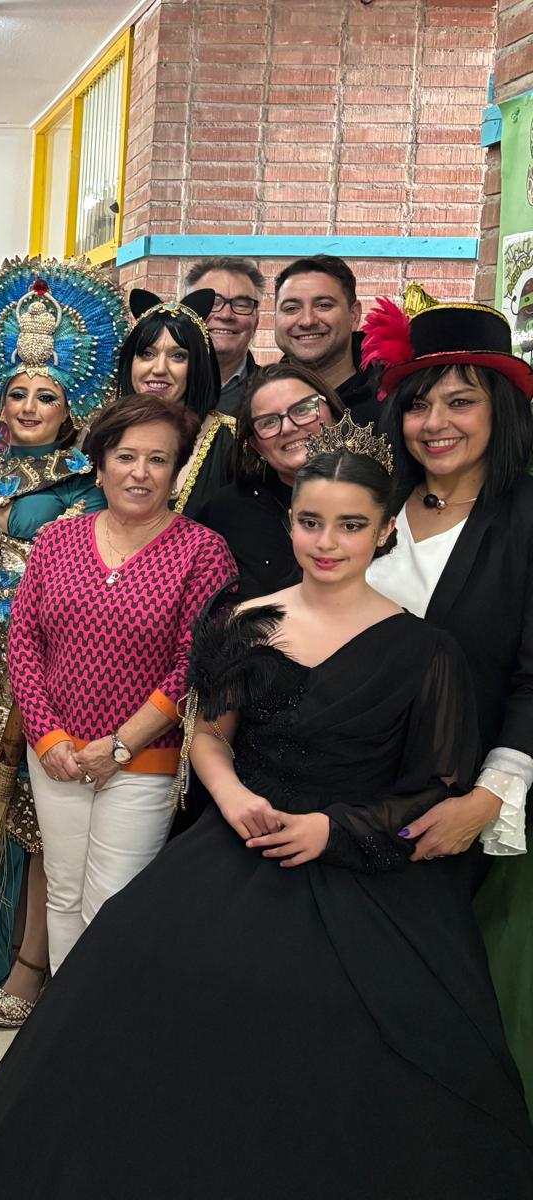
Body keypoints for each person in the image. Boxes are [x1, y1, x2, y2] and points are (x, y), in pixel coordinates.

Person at [0, 418, 533, 1200]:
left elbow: (436, 791)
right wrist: (237, 795)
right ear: (291, 522)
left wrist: (330, 829)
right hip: (238, 837)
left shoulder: (427, 651)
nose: (327, 542)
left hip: (357, 867)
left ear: (383, 532)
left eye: (351, 525)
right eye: (311, 521)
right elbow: (209, 736)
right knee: (133, 963)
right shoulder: (249, 623)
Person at [0, 256, 125, 1027]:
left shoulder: (88, 483)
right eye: (16, 392)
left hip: (48, 662)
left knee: (38, 817)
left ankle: (32, 963)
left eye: (46, 395)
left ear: (71, 404)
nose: (29, 405)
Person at [362, 294, 533, 1107]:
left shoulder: (527, 520)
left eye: (461, 400)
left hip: (468, 810)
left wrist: (487, 798)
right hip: (356, 798)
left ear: (498, 407)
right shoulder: (375, 511)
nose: (436, 421)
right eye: (420, 402)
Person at [7, 395, 234, 969]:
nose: (140, 472)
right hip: (56, 753)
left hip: (143, 758)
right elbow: (24, 643)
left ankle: (97, 1047)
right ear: (101, 464)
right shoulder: (58, 541)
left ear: (177, 469)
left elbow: (193, 666)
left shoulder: (204, 552)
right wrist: (49, 739)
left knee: (111, 904)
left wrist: (121, 744)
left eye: (157, 460)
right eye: (126, 456)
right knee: (61, 893)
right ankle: (58, 1039)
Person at [191, 361, 345, 601]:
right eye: (268, 422)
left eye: (303, 409)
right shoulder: (227, 512)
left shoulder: (377, 493)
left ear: (333, 413)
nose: (288, 427)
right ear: (256, 445)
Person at [115, 287, 229, 514]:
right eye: (147, 354)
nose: (158, 369)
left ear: (198, 365)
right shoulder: (102, 433)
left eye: (178, 356)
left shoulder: (230, 442)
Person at [273, 253, 382, 424]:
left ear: (353, 315)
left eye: (323, 305)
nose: (307, 321)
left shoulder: (396, 399)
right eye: (291, 308)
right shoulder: (256, 402)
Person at [184, 257, 263, 414]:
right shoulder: (157, 388)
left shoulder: (273, 393)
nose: (226, 315)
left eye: (241, 305)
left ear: (256, 323)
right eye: (212, 302)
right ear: (185, 314)